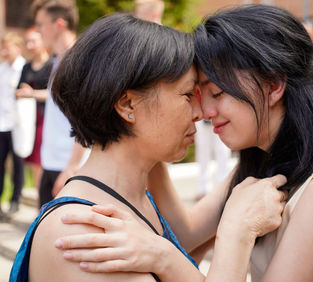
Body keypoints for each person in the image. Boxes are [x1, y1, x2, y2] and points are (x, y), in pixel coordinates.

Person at [53, 5, 313, 282]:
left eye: (216, 93)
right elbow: (186, 234)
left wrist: (165, 255)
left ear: (274, 85)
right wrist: (146, 138)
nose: (203, 111)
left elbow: (178, 247)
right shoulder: (262, 164)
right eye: (194, 94)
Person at [10, 13, 287, 282]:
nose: (201, 112)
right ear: (128, 105)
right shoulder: (81, 231)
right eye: (188, 94)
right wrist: (238, 234)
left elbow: (185, 239)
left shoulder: (133, 195)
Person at [31, 0, 87, 207]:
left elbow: (85, 118)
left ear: (59, 24)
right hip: (52, 163)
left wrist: (71, 167)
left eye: (40, 24)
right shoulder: (57, 61)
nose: (38, 30)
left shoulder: (78, 61)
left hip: (68, 167)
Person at [15, 29, 53, 195]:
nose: (29, 46)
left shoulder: (53, 64)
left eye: (33, 41)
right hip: (28, 120)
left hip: (46, 119)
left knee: (41, 161)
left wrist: (32, 94)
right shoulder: (26, 66)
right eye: (27, 42)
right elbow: (18, 89)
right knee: (32, 162)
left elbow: (55, 93)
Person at [0, 32, 26, 216]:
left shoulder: (24, 68)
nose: (4, 51)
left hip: (18, 125)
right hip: (2, 124)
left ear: (18, 48)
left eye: (8, 47)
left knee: (18, 165)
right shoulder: (2, 69)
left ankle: (15, 200)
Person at [195, 119, 231, 198]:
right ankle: (203, 187)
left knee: (222, 148)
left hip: (220, 113)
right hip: (201, 118)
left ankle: (223, 185)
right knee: (202, 149)